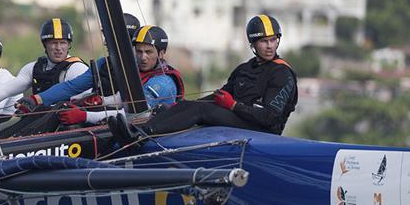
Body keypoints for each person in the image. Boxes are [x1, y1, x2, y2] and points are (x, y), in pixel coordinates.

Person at [118, 14, 297, 140]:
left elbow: (269, 118)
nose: (269, 46)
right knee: (192, 105)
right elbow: (219, 97)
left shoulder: (282, 73)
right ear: (253, 44)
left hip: (262, 130)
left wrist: (234, 105)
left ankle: (143, 134)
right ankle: (134, 128)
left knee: (202, 111)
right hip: (242, 118)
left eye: (273, 40)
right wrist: (181, 106)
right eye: (264, 41)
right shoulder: (245, 68)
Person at [18, 24, 184, 127]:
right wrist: (36, 99)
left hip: (145, 135)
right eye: (138, 51)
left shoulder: (162, 83)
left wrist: (85, 115)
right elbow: (73, 87)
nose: (143, 57)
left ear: (161, 54)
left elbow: (136, 114)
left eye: (148, 52)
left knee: (70, 125)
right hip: (119, 125)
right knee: (61, 110)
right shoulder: (113, 65)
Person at [0, 18, 89, 137]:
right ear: (45, 44)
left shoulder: (77, 69)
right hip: (38, 121)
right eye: (53, 43)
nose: (58, 48)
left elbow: (83, 105)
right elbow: (4, 90)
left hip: (63, 126)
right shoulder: (33, 68)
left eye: (63, 42)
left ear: (69, 44)